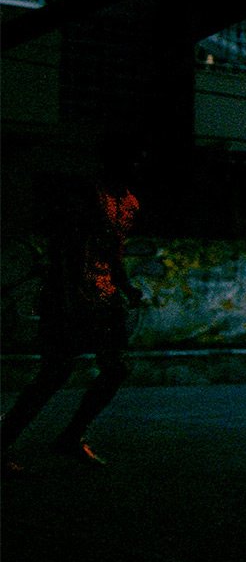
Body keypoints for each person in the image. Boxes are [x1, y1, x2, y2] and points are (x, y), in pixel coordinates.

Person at [3, 155, 145, 469]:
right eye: (133, 159)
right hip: (70, 295)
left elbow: (113, 251)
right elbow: (65, 248)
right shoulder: (89, 195)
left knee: (114, 368)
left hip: (103, 296)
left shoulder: (130, 202)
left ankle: (71, 436)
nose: (137, 166)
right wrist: (66, 296)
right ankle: (5, 438)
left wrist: (124, 286)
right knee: (55, 371)